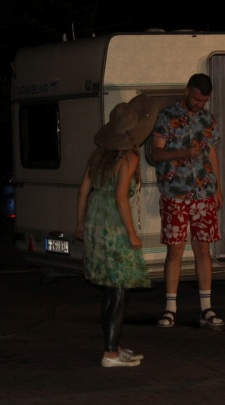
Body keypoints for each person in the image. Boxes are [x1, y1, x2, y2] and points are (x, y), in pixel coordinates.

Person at [75, 94, 158, 367]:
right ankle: (110, 354)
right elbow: (121, 198)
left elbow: (83, 191)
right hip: (114, 227)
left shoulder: (99, 156)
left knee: (110, 291)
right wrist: (132, 233)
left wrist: (80, 224)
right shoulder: (129, 157)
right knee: (120, 291)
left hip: (95, 224)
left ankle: (112, 345)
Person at [150, 73, 224, 329]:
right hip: (176, 194)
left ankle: (206, 307)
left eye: (204, 101)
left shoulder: (207, 119)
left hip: (204, 193)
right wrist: (183, 152)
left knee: (203, 250)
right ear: (186, 91)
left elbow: (211, 153)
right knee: (175, 250)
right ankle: (170, 308)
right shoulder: (167, 116)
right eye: (196, 99)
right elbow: (155, 153)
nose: (199, 104)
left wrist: (218, 188)